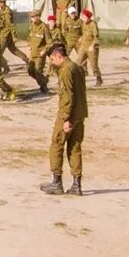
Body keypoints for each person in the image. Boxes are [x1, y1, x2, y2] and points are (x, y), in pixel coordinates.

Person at [43, 46, 88, 196]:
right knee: (75, 148)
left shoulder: (66, 70)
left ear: (58, 56)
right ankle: (77, 184)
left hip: (68, 115)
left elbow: (67, 96)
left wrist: (66, 119)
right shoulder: (77, 67)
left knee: (56, 145)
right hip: (80, 114)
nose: (52, 62)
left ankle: (57, 182)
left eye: (52, 59)